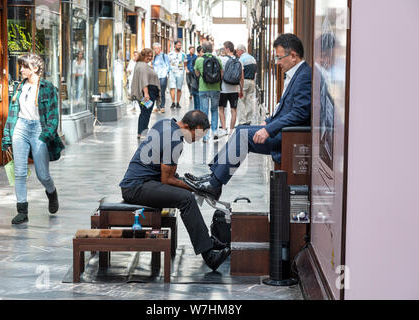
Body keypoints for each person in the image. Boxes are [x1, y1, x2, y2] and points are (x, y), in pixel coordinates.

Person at [184, 34, 312, 200]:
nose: (278, 63)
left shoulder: (304, 76)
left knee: (242, 136)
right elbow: (286, 109)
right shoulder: (296, 74)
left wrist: (269, 129)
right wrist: (269, 121)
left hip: (287, 136)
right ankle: (212, 177)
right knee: (239, 130)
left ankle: (214, 184)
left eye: (279, 58)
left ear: (293, 56)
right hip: (280, 129)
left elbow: (300, 112)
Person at [120, 110, 230, 271]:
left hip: (144, 182)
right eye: (197, 134)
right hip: (137, 187)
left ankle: (207, 241)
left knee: (185, 192)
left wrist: (192, 182)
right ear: (187, 126)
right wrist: (197, 187)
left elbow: (166, 172)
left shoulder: (165, 124)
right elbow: (167, 180)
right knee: (186, 198)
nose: (198, 138)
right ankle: (209, 255)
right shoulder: (175, 140)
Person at [1, 53, 65, 225]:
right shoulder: (19, 86)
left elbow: (53, 117)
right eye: (21, 66)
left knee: (42, 174)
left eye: (24, 66)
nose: (21, 69)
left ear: (35, 68)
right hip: (20, 127)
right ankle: (22, 211)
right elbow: (12, 114)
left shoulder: (48, 87)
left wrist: (45, 136)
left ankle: (51, 192)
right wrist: (7, 136)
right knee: (19, 172)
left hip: (39, 129)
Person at [194, 41, 223, 142]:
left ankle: (205, 136)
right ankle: (215, 131)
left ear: (202, 50)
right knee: (214, 110)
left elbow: (197, 74)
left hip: (203, 89)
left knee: (204, 112)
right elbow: (221, 74)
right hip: (215, 89)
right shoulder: (218, 59)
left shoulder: (199, 60)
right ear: (211, 49)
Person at [130, 48, 161, 140]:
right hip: (148, 92)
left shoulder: (139, 64)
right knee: (146, 113)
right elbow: (144, 81)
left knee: (144, 113)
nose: (150, 58)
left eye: (151, 56)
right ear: (143, 56)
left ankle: (141, 132)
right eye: (148, 56)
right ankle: (143, 133)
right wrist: (146, 94)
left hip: (147, 92)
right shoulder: (143, 66)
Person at [218, 41, 244, 138]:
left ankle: (224, 129)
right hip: (234, 89)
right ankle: (232, 130)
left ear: (228, 49)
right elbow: (241, 77)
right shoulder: (239, 61)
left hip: (223, 89)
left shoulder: (222, 59)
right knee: (234, 110)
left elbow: (221, 74)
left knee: (221, 109)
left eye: (224, 48)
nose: (223, 50)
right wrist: (241, 89)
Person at [235, 44, 257, 126]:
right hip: (252, 82)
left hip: (244, 82)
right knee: (249, 101)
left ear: (241, 51)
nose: (237, 53)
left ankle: (242, 121)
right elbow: (255, 72)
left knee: (241, 101)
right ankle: (249, 119)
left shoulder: (241, 59)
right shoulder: (253, 59)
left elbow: (241, 74)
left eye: (237, 51)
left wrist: (240, 87)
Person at [152, 43, 170, 113]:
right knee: (156, 92)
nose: (155, 50)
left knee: (162, 92)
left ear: (160, 48)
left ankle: (162, 106)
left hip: (162, 76)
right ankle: (157, 107)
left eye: (156, 48)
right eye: (154, 48)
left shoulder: (164, 56)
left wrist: (165, 74)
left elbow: (168, 66)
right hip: (156, 77)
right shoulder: (154, 57)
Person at [168, 40, 186, 109]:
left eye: (180, 45)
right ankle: (173, 102)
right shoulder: (170, 54)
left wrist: (185, 69)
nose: (179, 47)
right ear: (175, 45)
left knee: (179, 88)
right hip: (172, 72)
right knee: (172, 87)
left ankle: (178, 102)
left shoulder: (183, 54)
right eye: (178, 45)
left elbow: (185, 63)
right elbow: (168, 63)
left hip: (180, 72)